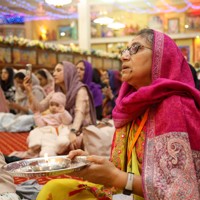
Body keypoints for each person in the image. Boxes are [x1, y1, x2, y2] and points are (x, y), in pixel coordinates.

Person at [37, 29, 200, 200]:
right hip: (127, 193)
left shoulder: (174, 104)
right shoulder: (132, 106)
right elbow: (128, 166)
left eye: (136, 48)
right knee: (56, 188)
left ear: (161, 56)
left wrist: (117, 178)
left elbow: (181, 193)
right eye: (125, 50)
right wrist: (94, 161)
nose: (124, 57)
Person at [24, 61, 96, 153]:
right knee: (34, 137)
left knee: (73, 142)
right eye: (54, 71)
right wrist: (29, 91)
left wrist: (73, 131)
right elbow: (40, 107)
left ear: (68, 73)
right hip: (63, 127)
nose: (54, 74)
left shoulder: (80, 90)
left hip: (79, 128)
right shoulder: (57, 91)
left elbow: (79, 114)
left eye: (58, 71)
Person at [10, 92, 73, 158]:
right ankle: (35, 144)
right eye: (51, 105)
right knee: (35, 131)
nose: (54, 107)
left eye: (57, 105)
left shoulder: (62, 114)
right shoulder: (47, 115)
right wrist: (37, 115)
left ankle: (49, 152)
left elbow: (68, 121)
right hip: (47, 129)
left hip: (57, 131)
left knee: (48, 139)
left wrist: (63, 112)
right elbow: (41, 125)